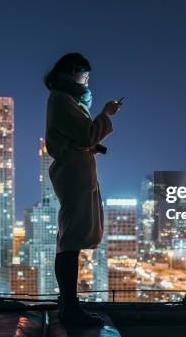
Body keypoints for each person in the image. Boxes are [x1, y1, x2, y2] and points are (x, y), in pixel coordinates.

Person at [44, 52, 122, 326]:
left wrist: (91, 144)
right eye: (85, 75)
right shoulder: (61, 99)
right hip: (73, 175)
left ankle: (68, 304)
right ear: (72, 72)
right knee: (70, 242)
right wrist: (106, 114)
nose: (88, 81)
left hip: (78, 172)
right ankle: (70, 307)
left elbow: (80, 137)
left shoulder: (67, 99)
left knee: (71, 240)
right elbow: (87, 133)